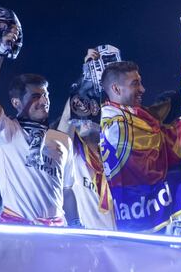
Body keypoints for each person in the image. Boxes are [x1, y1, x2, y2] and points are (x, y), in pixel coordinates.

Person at [0, 23, 78, 226]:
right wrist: (0, 52)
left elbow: (67, 190)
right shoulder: (6, 131)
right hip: (17, 232)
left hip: (56, 234)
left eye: (46, 95)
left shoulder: (63, 140)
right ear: (16, 102)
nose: (44, 101)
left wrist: (76, 224)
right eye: (36, 96)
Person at [99, 61, 181, 232]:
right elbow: (173, 147)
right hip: (143, 220)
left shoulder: (121, 117)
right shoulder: (120, 127)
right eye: (135, 84)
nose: (143, 89)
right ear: (116, 89)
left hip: (138, 215)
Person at [56, 47, 117, 230]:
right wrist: (86, 78)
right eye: (80, 117)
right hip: (84, 246)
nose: (85, 121)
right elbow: (67, 118)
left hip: (120, 246)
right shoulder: (72, 156)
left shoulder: (116, 156)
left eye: (90, 116)